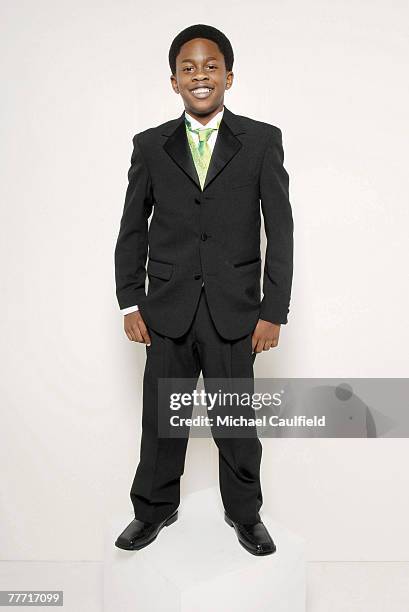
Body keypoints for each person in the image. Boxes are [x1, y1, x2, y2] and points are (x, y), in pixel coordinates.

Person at [114, 24, 293, 556]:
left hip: (235, 310)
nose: (199, 76)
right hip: (165, 309)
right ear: (173, 81)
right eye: (188, 68)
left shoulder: (261, 141)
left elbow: (279, 229)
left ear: (229, 76)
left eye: (210, 67)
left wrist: (273, 310)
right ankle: (154, 509)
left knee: (235, 422)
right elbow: (131, 228)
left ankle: (245, 514)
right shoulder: (149, 146)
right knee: (163, 422)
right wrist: (129, 299)